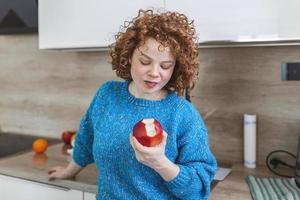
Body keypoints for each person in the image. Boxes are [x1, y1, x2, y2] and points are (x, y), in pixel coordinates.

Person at [48, 9, 217, 200]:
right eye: (145, 62)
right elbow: (86, 139)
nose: (154, 72)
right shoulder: (107, 95)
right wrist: (69, 171)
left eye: (165, 66)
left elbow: (199, 189)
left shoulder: (183, 114)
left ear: (175, 68)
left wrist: (160, 162)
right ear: (129, 56)